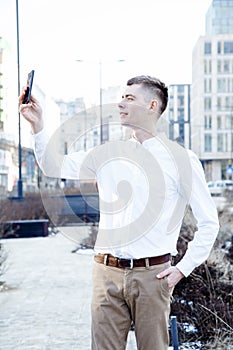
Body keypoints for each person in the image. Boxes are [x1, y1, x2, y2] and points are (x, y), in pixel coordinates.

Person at [19, 75, 219, 350]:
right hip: (106, 273)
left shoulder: (182, 159)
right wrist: (38, 126)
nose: (120, 103)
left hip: (153, 276)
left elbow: (209, 223)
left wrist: (182, 270)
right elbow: (53, 166)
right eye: (121, 97)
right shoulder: (107, 153)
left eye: (129, 98)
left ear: (152, 105)